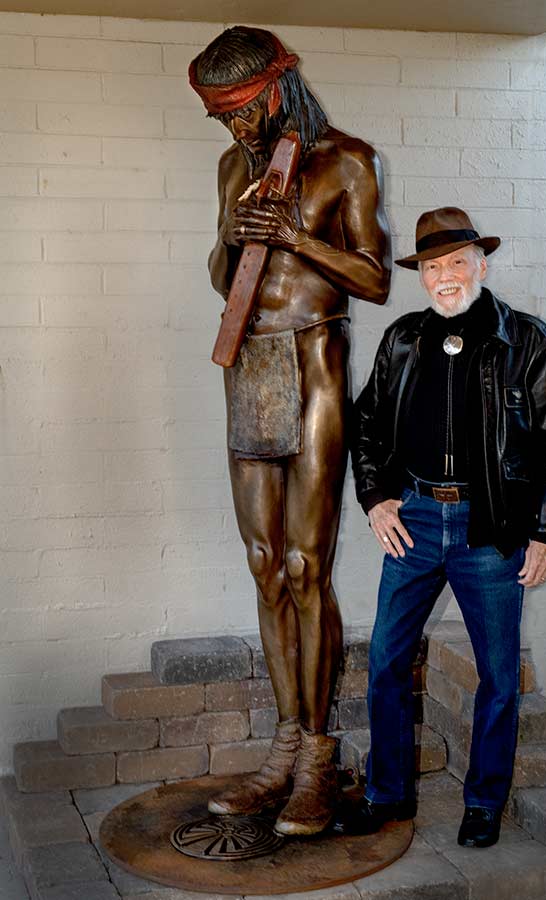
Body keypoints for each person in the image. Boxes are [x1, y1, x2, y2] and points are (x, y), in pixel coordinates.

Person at [188, 26, 391, 836]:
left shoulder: (346, 160)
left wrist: (295, 237)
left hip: (314, 365)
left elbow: (374, 278)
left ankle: (318, 756)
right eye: (222, 119)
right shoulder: (234, 167)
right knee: (265, 563)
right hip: (250, 365)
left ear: (279, 87)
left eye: (244, 112)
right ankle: (280, 750)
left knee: (309, 563)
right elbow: (218, 275)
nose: (237, 132)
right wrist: (232, 239)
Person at [334, 206, 546, 847]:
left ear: (482, 264)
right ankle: (387, 794)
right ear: (423, 275)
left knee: (498, 676)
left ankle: (482, 804)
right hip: (414, 518)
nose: (447, 277)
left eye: (457, 262)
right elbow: (364, 425)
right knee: (386, 662)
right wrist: (376, 500)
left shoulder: (526, 339)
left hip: (491, 527)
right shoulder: (403, 339)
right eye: (434, 266)